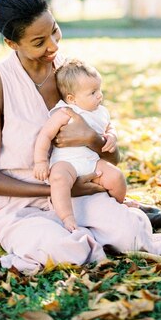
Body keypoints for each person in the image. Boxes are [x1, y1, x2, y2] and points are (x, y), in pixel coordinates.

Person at [0, 0, 161, 274]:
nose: (53, 46)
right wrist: (55, 188)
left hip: (79, 197)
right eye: (39, 41)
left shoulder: (71, 75)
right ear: (12, 43)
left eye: (55, 30)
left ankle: (112, 222)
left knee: (132, 234)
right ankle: (82, 236)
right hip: (21, 209)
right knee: (64, 250)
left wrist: (92, 139)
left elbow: (111, 159)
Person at [34, 58, 127, 232]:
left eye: (99, 89)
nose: (99, 95)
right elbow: (45, 135)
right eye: (92, 92)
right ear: (72, 98)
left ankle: (118, 204)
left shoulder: (101, 112)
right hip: (66, 162)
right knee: (59, 179)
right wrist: (40, 161)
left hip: (91, 161)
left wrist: (112, 136)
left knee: (116, 177)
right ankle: (67, 217)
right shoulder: (65, 112)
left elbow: (109, 127)